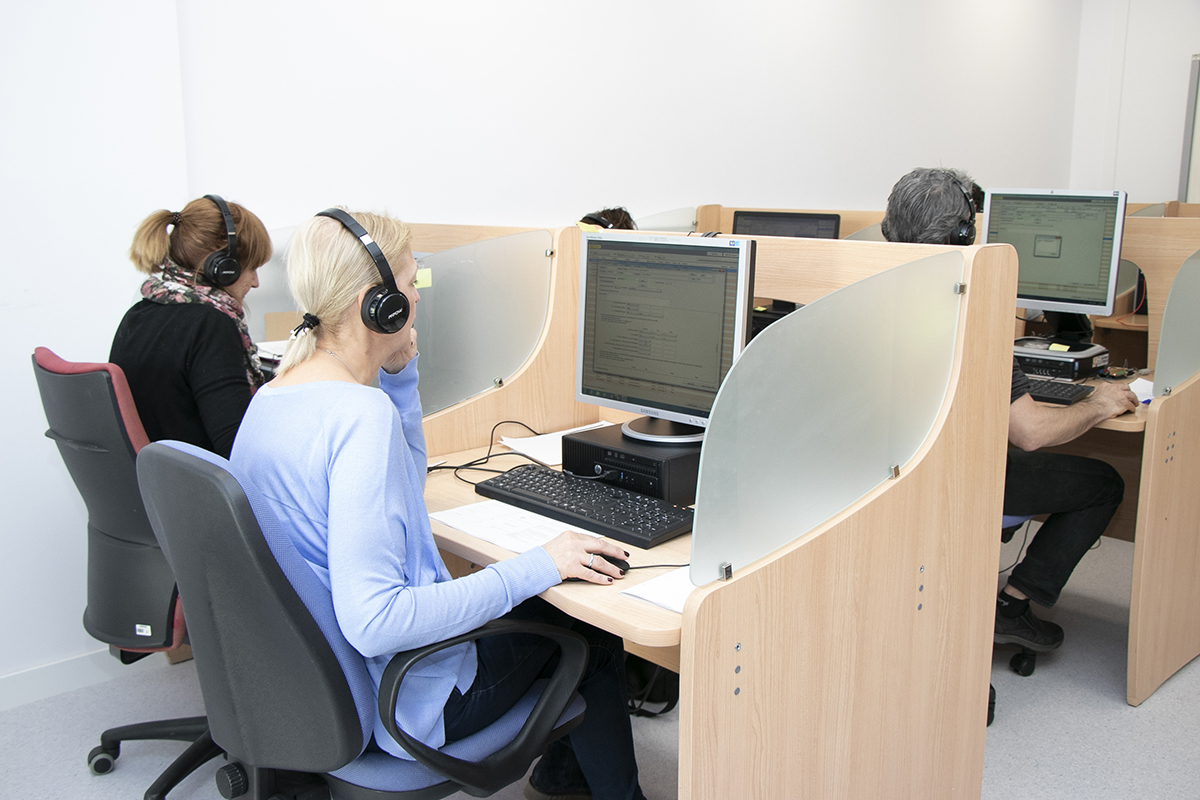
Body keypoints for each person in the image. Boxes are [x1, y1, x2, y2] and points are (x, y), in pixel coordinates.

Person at [230, 208, 647, 800]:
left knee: (540, 601)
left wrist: (400, 377)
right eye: (411, 283)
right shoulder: (358, 416)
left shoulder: (276, 394)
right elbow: (376, 622)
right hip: (407, 700)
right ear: (377, 305)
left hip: (318, 687)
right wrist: (538, 564)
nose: (418, 300)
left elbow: (401, 480)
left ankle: (560, 778)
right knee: (591, 632)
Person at [881, 168, 1139, 655]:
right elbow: (1032, 433)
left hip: (884, 479)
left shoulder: (861, 290)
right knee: (1105, 482)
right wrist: (1100, 401)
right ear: (966, 234)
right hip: (952, 481)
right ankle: (1013, 605)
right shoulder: (968, 313)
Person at [110, 194, 272, 458]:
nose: (255, 282)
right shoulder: (210, 325)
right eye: (251, 268)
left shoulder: (139, 313)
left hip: (164, 485)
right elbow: (240, 449)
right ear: (223, 268)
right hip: (201, 488)